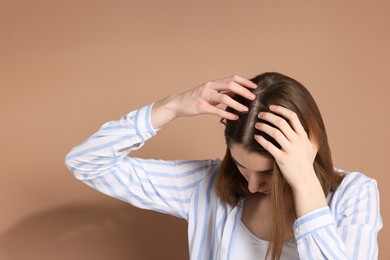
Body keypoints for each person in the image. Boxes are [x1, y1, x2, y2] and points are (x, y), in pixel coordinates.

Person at [65, 72, 382, 260]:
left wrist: (304, 182)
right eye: (244, 167)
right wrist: (171, 107)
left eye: (270, 172)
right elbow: (87, 162)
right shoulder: (205, 185)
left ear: (307, 144)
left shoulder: (355, 194)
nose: (253, 186)